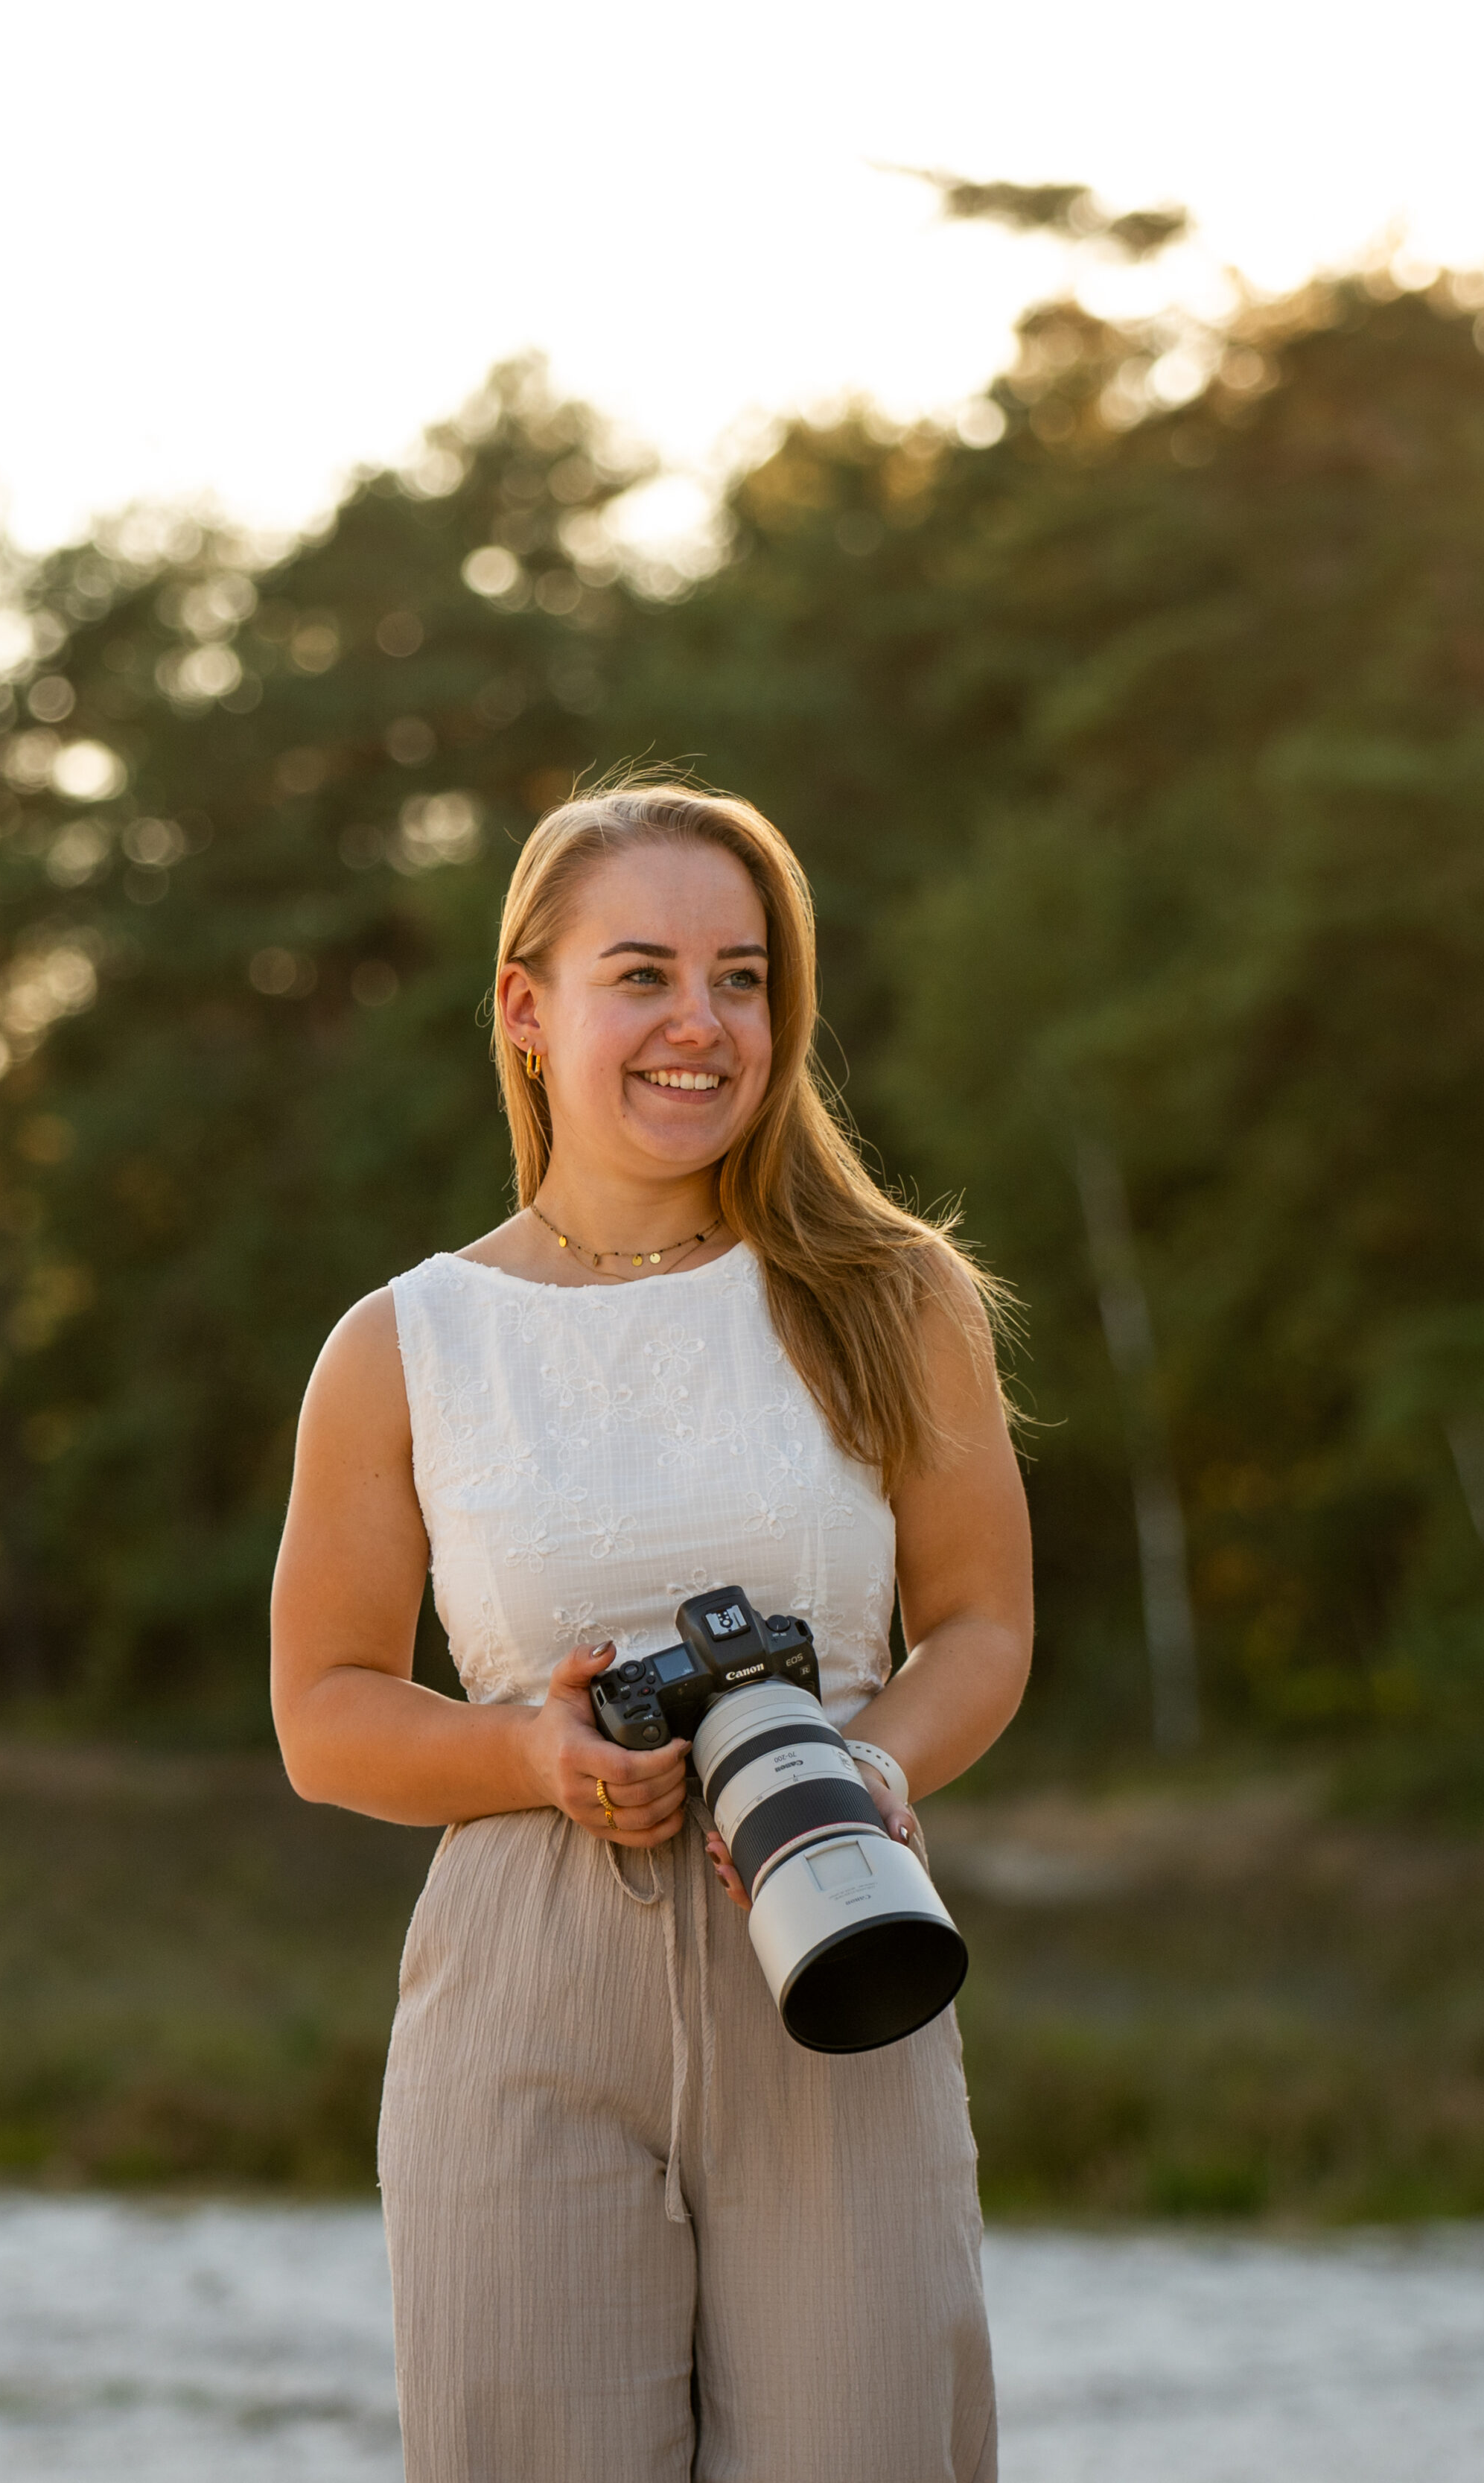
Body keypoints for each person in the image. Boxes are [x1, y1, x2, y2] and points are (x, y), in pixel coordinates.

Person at [271, 780, 1031, 2482]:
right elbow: (321, 1714)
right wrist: (526, 1750)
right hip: (521, 1983)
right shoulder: (404, 1344)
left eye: (744, 976)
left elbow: (980, 1627)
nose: (703, 1022)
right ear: (526, 1008)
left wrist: (865, 1765)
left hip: (839, 1937)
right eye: (646, 972)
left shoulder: (890, 1298)